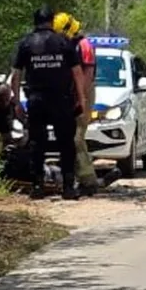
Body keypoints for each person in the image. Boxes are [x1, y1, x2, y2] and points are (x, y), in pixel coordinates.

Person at [9, 5, 88, 200]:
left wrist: (17, 102)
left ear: (35, 22)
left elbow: (15, 76)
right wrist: (82, 98)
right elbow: (77, 73)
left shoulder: (26, 43)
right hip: (62, 100)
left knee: (37, 142)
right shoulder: (64, 42)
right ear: (52, 21)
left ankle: (37, 186)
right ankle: (68, 187)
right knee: (65, 143)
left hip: (36, 100)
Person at [54, 13, 100, 196]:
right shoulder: (70, 45)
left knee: (77, 138)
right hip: (72, 95)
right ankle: (75, 177)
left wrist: (81, 99)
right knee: (71, 139)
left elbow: (87, 76)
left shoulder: (84, 45)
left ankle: (89, 181)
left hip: (83, 95)